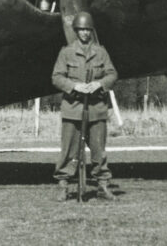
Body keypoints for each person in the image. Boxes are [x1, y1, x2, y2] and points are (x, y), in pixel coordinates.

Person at [51, 11, 119, 201]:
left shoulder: (101, 52)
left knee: (99, 151)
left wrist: (100, 84)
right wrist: (74, 86)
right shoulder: (66, 52)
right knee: (68, 151)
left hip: (96, 109)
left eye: (87, 30)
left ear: (91, 31)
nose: (84, 33)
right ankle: (63, 185)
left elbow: (112, 74)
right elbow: (56, 77)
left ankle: (102, 186)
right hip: (73, 109)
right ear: (76, 31)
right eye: (81, 30)